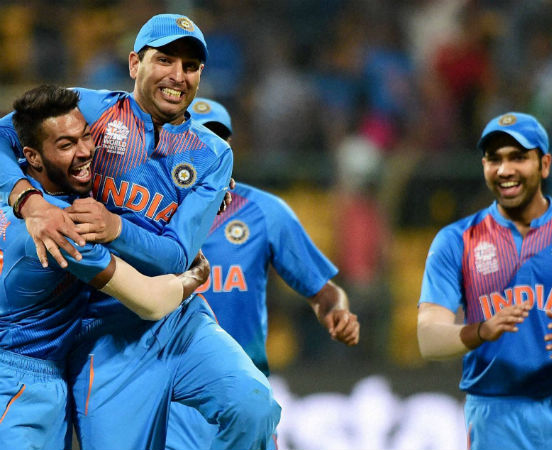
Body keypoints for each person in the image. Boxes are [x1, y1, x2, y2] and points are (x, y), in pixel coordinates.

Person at [0, 14, 280, 450]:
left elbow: (176, 256)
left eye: (190, 66)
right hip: (103, 332)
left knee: (254, 407)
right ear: (134, 63)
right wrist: (30, 201)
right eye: (165, 60)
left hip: (179, 321)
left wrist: (115, 227)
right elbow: (4, 134)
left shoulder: (212, 153)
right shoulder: (89, 110)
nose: (178, 75)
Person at [0, 85, 211, 450]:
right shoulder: (64, 227)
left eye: (86, 136)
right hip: (22, 379)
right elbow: (151, 301)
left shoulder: (14, 187)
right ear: (32, 155)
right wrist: (195, 276)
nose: (84, 151)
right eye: (66, 145)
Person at [166, 98, 361, 450]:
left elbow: (323, 291)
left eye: (218, 139)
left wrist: (337, 311)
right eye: (198, 138)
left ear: (231, 147)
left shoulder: (265, 212)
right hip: (173, 401)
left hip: (244, 395)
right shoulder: (148, 209)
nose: (208, 148)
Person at [417, 111, 552, 450]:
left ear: (544, 165)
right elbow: (428, 338)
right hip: (494, 413)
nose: (504, 170)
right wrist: (482, 331)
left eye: (518, 157)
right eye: (494, 159)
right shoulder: (456, 240)